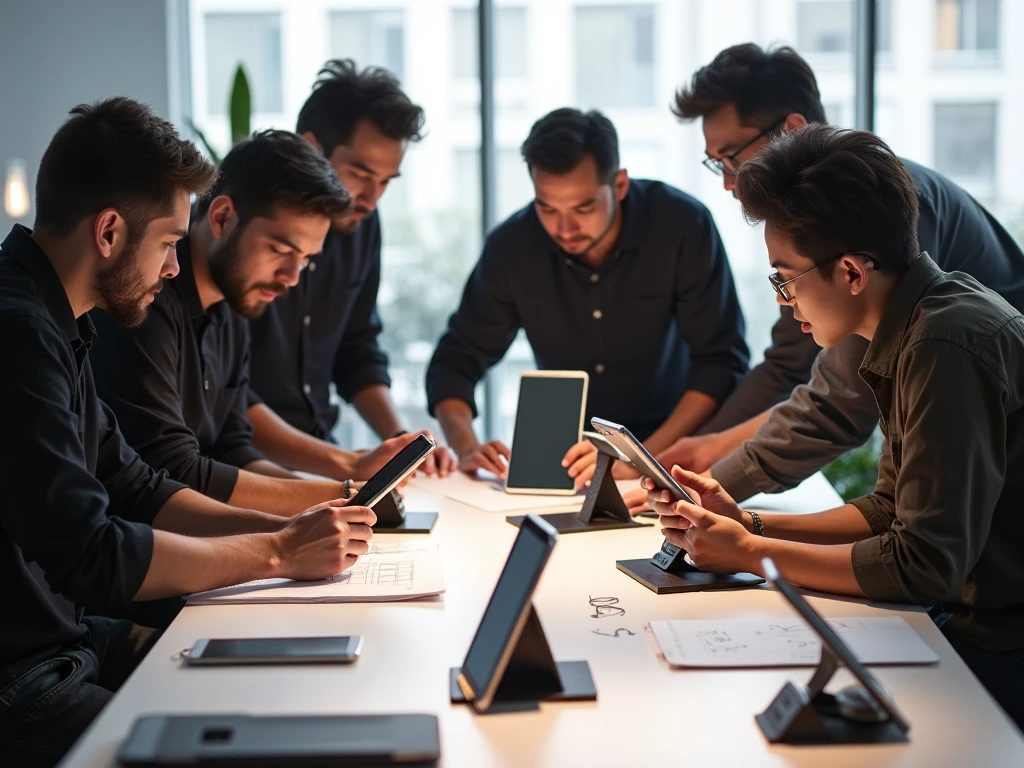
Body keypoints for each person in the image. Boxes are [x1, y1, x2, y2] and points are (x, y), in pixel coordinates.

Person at [0, 98, 375, 767]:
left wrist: (290, 534)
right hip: (23, 680)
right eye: (170, 241)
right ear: (109, 232)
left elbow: (138, 486)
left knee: (279, 696)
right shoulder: (19, 332)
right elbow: (92, 553)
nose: (174, 267)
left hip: (72, 640)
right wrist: (276, 553)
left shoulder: (59, 323)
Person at [646, 124, 1024, 729]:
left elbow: (922, 565)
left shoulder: (944, 345)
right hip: (971, 625)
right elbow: (889, 510)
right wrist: (751, 524)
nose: (783, 300)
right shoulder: (920, 324)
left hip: (999, 646)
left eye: (785, 277)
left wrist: (751, 554)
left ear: (851, 271)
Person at [653, 43, 1024, 503]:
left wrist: (709, 484)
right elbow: (790, 366)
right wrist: (702, 456)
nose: (730, 182)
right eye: (717, 165)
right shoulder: (814, 230)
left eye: (731, 157)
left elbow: (843, 401)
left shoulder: (872, 212)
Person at [91, 130, 424, 517]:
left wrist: (329, 502)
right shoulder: (147, 302)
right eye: (280, 250)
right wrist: (341, 493)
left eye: (304, 259)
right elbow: (174, 468)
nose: (291, 277)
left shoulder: (232, 304)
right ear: (222, 218)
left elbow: (234, 447)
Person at [427, 107, 749, 487]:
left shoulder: (681, 224)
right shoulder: (512, 246)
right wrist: (466, 446)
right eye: (547, 208)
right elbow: (455, 362)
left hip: (673, 453)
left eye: (584, 207)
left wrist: (640, 461)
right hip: (563, 460)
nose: (565, 228)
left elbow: (720, 361)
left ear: (620, 185)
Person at [247, 60, 455, 479]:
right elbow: (223, 393)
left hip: (321, 457)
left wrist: (400, 443)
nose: (372, 198)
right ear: (310, 147)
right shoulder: (247, 228)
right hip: (244, 463)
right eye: (359, 174)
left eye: (387, 181)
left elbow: (356, 349)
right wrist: (348, 467)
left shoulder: (363, 224)